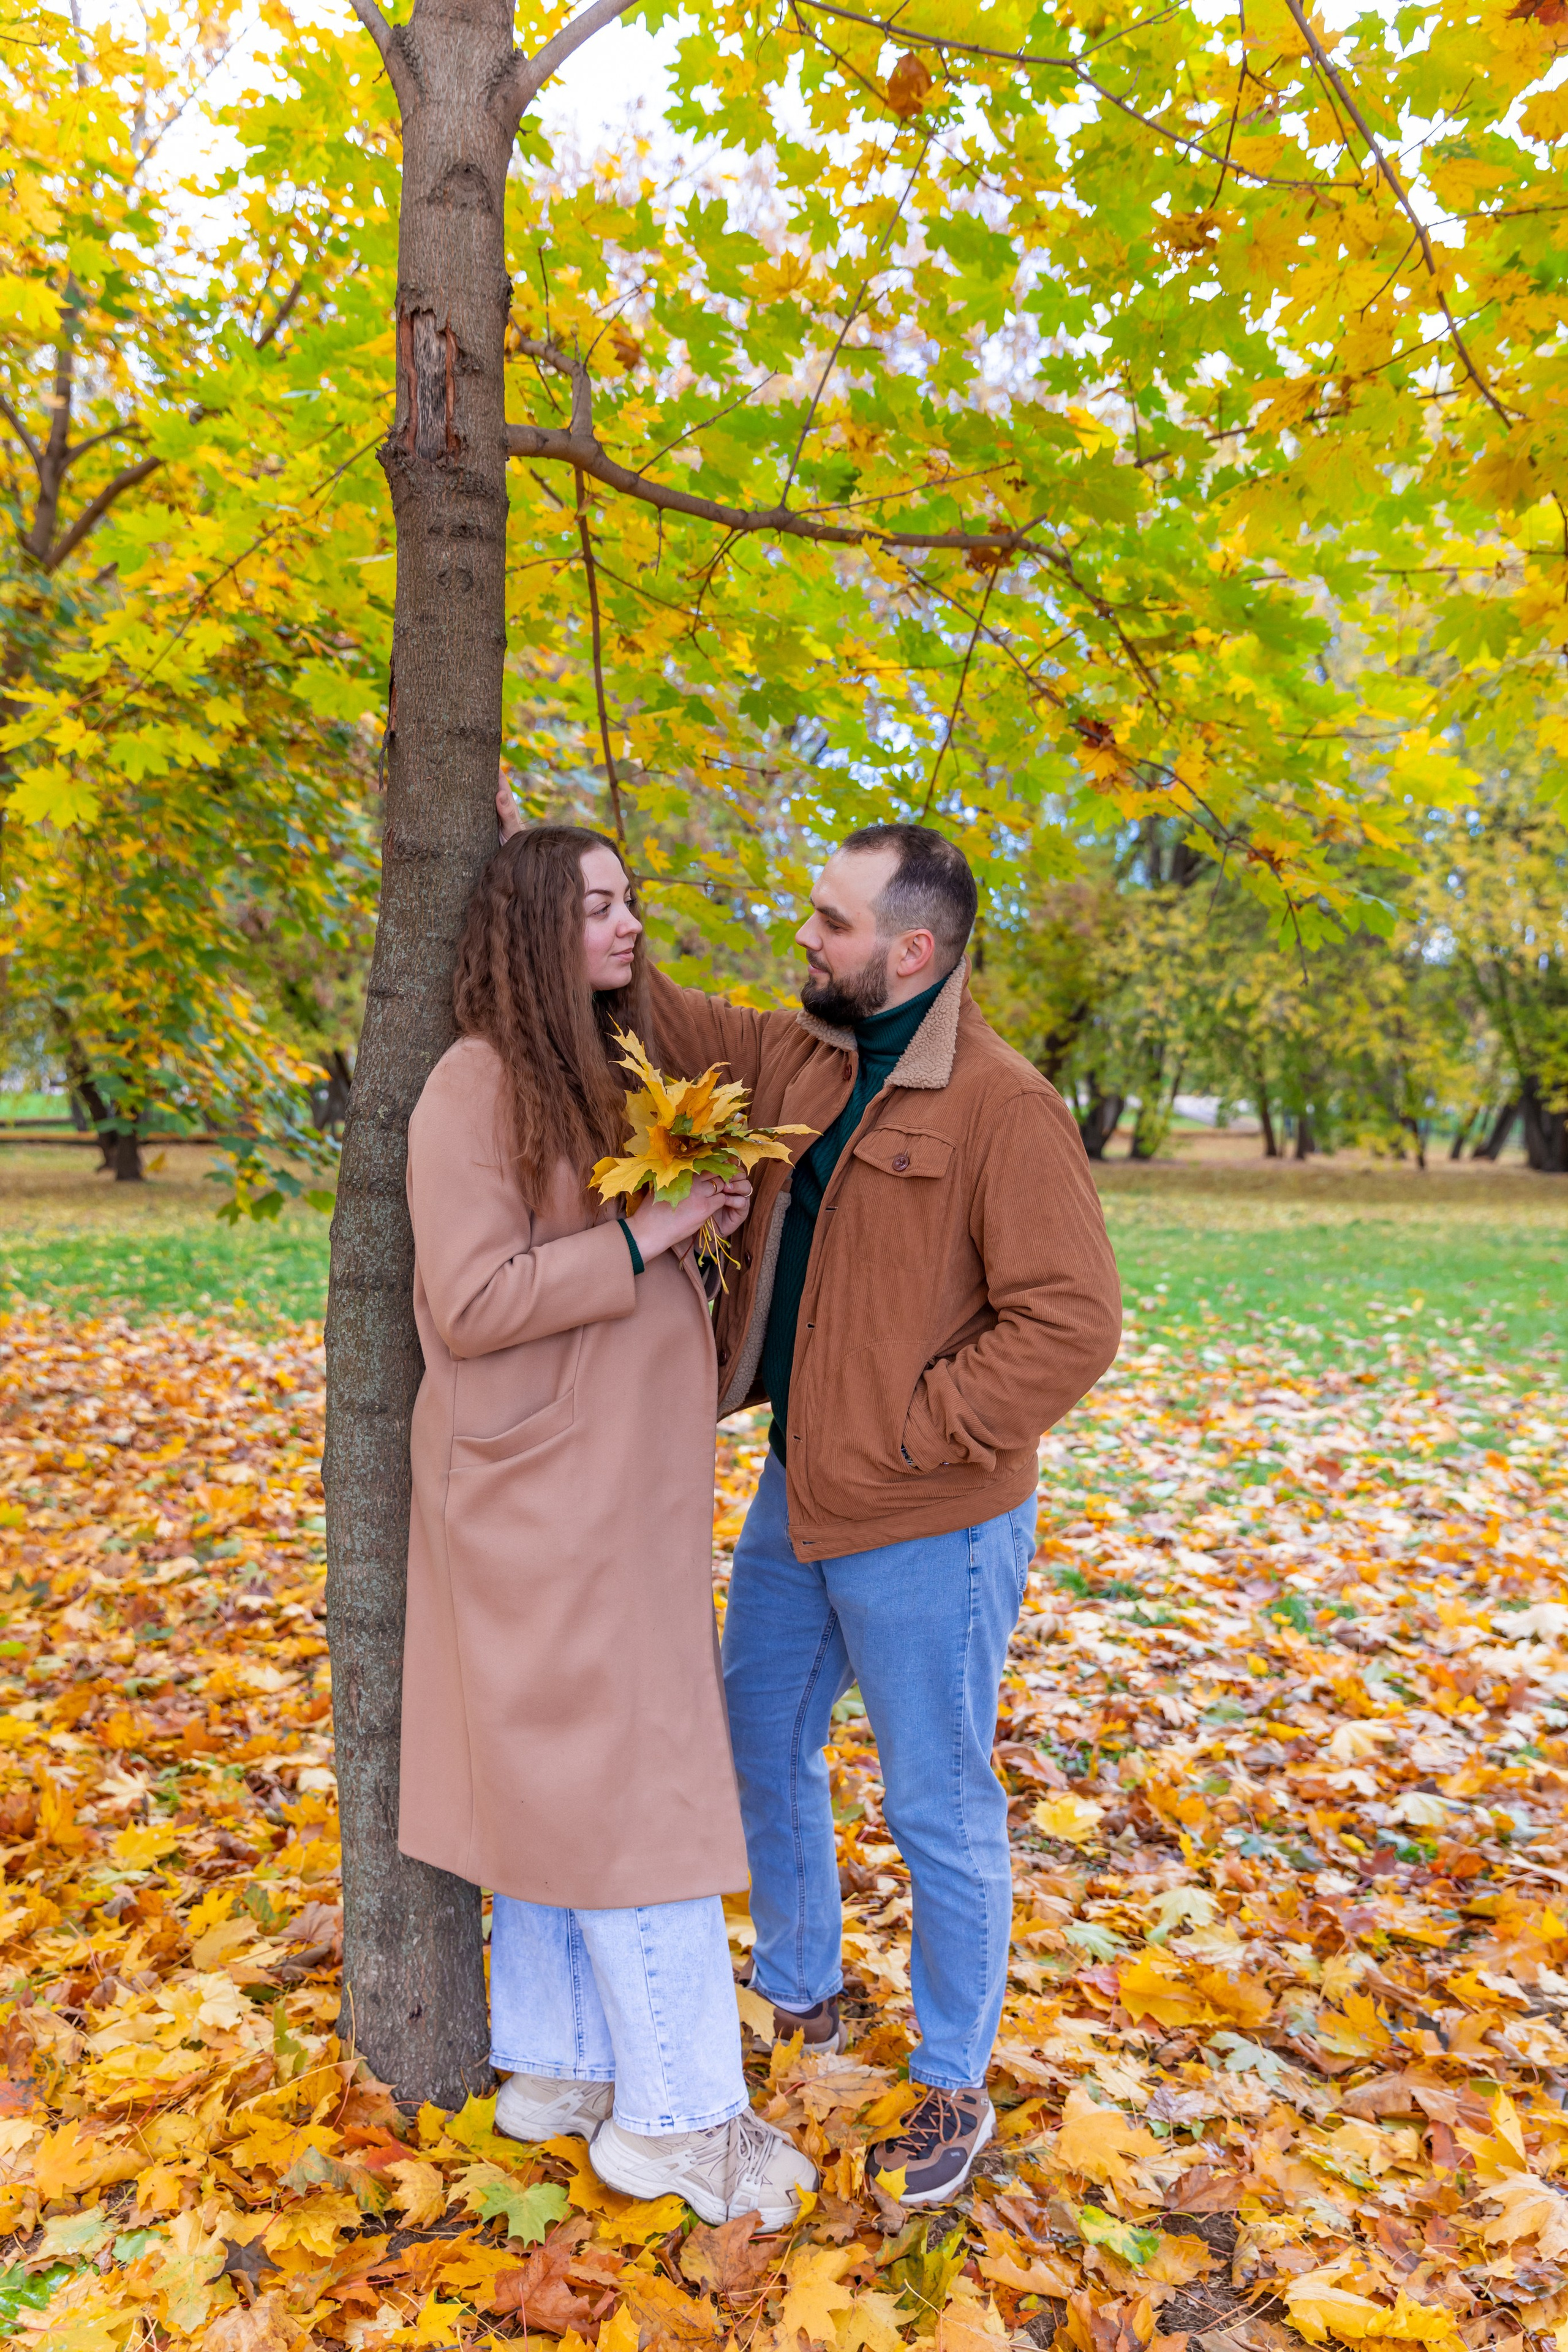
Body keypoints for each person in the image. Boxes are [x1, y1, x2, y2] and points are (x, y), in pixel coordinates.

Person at [497, 796, 1121, 2206]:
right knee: (754, 1743)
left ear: (907, 954)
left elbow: (1070, 1323)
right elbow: (653, 1007)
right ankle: (803, 1993)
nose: (803, 933)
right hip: (798, 1499)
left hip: (931, 1520)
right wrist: (531, 865)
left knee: (936, 1805)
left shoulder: (1001, 1107)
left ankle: (952, 2083)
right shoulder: (805, 1053)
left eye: (828, 921)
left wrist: (917, 1432)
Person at [399, 824, 816, 2229]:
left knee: (578, 1785)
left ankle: (567, 2069)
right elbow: (468, 1301)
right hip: (541, 1502)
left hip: (610, 1500)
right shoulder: (474, 1084)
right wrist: (643, 1240)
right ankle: (682, 2122)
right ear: (529, 929)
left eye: (630, 899)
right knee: (634, 1793)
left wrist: (697, 1221)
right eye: (595, 905)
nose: (627, 923)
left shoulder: (595, 1070)